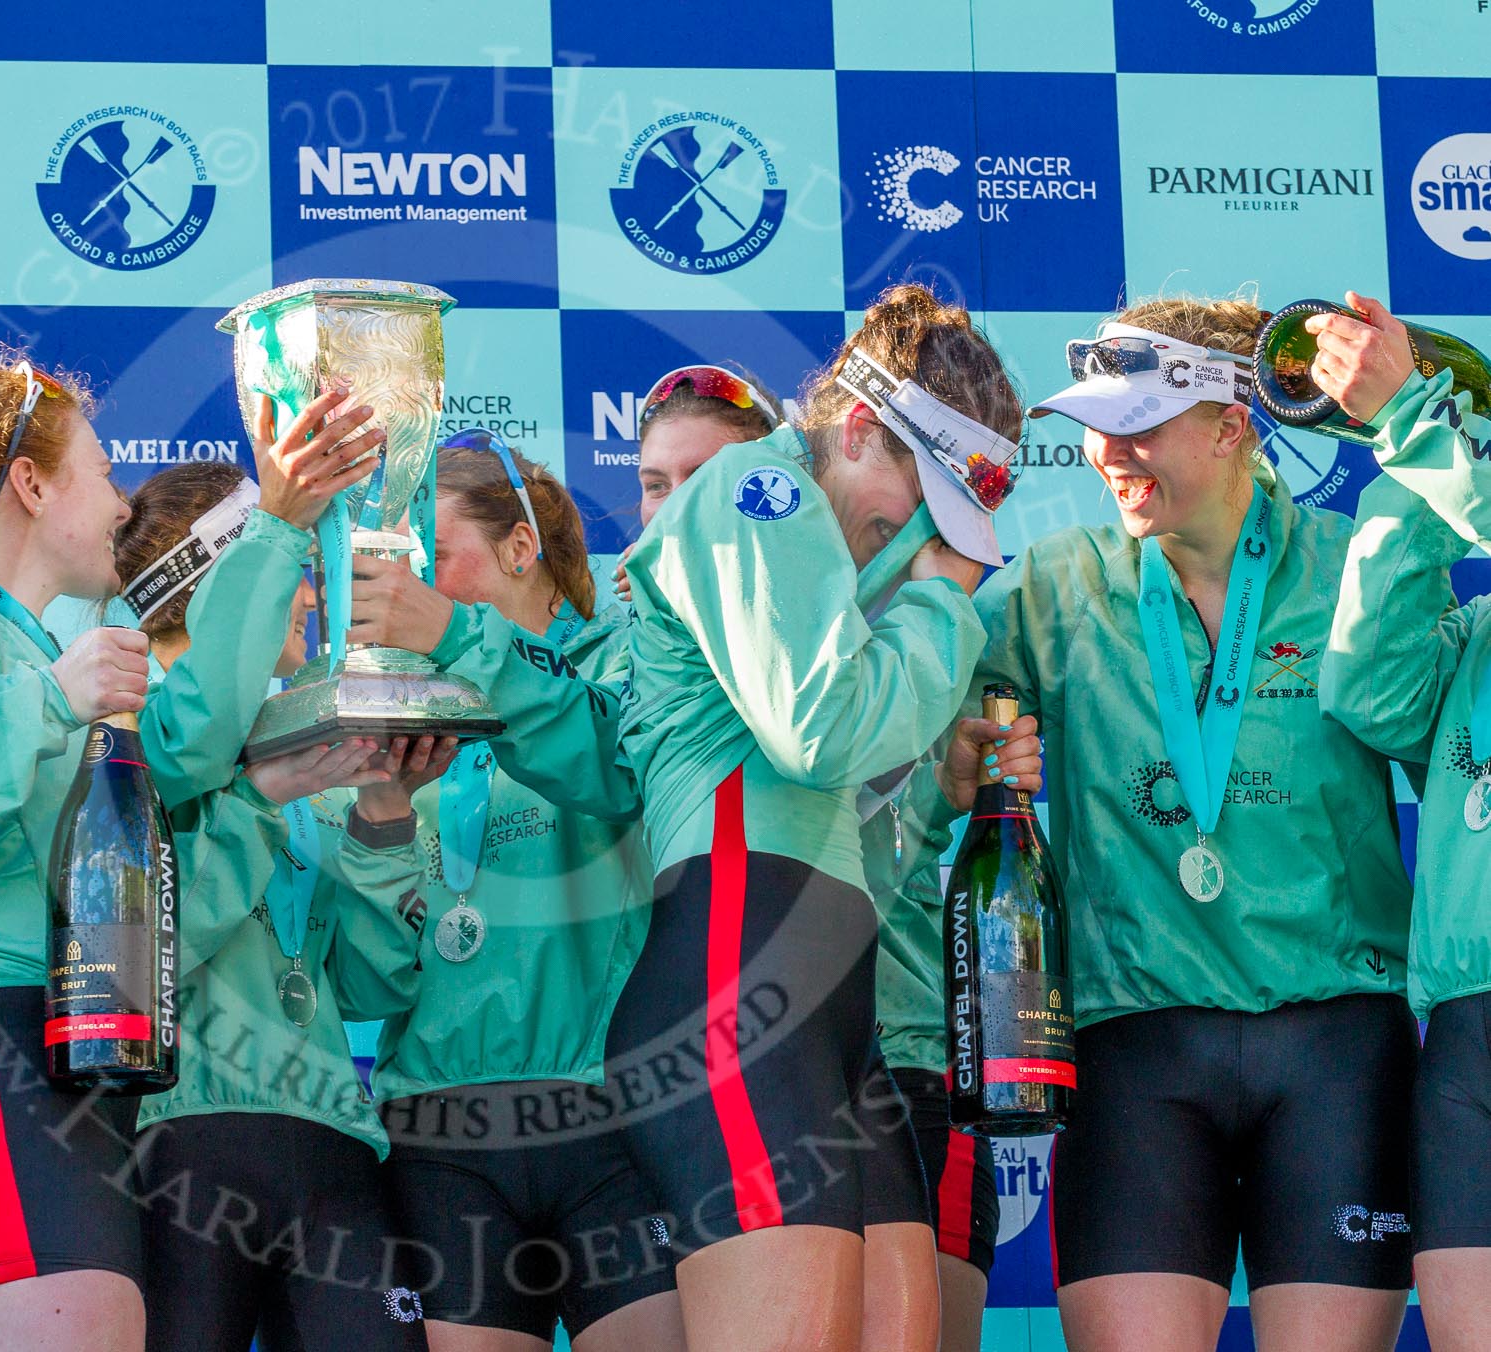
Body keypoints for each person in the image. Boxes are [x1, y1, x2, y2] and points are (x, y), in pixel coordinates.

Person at [0, 367, 386, 1350]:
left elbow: (189, 737)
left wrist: (279, 530)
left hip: (75, 1042)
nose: (122, 505)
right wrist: (47, 703)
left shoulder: (55, 660)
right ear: (30, 483)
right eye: (104, 473)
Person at [946, 296, 1418, 1352]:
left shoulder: (1353, 566)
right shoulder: (1054, 585)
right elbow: (919, 732)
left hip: (1337, 1043)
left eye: (1138, 426)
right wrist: (965, 757)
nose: (1106, 453)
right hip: (1135, 1049)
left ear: (1231, 424)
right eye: (1096, 427)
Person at [604, 284, 1034, 1352]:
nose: (922, 537)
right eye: (915, 502)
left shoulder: (824, 557)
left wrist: (935, 786)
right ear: (854, 428)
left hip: (832, 998)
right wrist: (942, 597)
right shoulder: (757, 486)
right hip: (734, 973)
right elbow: (820, 732)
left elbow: (845, 813)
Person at [103, 438, 454, 1352]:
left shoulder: (304, 748)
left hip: (331, 1136)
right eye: (290, 570)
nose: (307, 596)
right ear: (223, 585)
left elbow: (372, 987)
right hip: (177, 1134)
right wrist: (253, 806)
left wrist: (384, 818)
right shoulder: (127, 738)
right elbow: (137, 965)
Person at [336, 430, 679, 1351]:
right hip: (439, 1130)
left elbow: (609, 768)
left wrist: (457, 640)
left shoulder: (628, 663)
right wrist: (380, 816)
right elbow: (367, 983)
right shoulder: (390, 707)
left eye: (436, 558)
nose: (410, 588)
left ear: (521, 547)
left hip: (613, 1114)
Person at [1312, 292, 1491, 1352]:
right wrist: (1415, 469)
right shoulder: (1476, 636)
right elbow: (1367, 688)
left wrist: (1415, 420)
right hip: (1467, 1030)